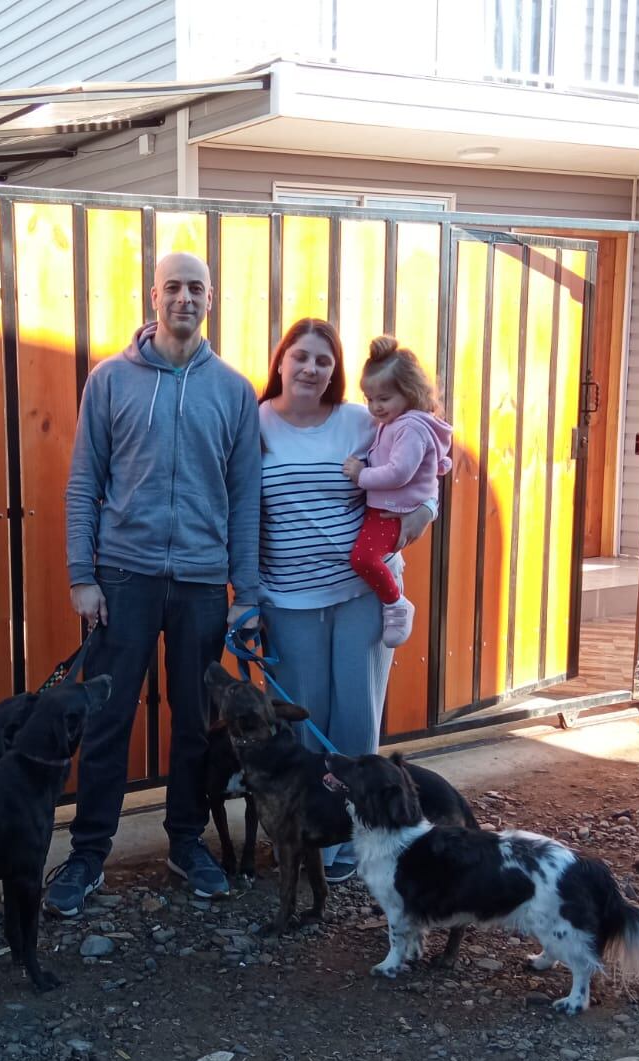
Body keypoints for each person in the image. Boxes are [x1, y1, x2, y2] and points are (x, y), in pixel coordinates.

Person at [46, 252, 262, 917]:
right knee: (108, 719)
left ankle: (185, 841)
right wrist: (83, 575)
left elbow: (244, 494)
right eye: (173, 287)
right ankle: (88, 854)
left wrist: (246, 592)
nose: (184, 298)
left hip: (200, 583)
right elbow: (84, 482)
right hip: (125, 577)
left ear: (211, 297)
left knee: (196, 723)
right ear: (154, 297)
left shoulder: (233, 390)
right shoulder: (111, 380)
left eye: (196, 287)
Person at [255, 318, 397, 885]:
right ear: (281, 360)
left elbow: (425, 470)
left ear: (336, 371)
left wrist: (416, 520)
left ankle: (350, 842)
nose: (312, 368)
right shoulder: (255, 423)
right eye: (302, 356)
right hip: (285, 598)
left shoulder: (360, 422)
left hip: (358, 593)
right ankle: (308, 836)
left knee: (356, 721)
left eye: (324, 360)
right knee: (301, 728)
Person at [344, 336, 453, 648]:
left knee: (364, 558)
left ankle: (396, 604)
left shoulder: (410, 428)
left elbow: (399, 471)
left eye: (384, 398)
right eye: (369, 399)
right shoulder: (396, 423)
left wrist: (360, 474)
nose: (375, 407)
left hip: (393, 510)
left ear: (409, 393)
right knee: (364, 557)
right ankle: (394, 602)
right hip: (390, 506)